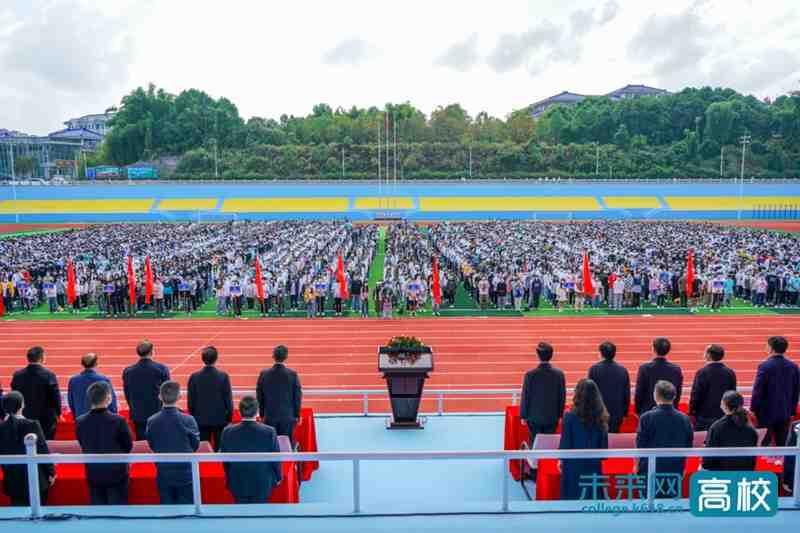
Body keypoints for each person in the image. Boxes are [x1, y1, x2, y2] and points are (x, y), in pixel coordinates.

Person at [75, 381, 134, 505]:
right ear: (108, 398)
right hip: (117, 473)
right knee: (117, 512)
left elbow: (82, 443)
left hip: (93, 472)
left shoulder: (80, 421)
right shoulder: (119, 421)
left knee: (98, 512)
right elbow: (128, 445)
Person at [219, 396, 283, 504]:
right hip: (262, 482)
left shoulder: (227, 431)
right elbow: (275, 459)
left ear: (239, 412)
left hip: (237, 480)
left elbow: (225, 460)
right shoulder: (269, 432)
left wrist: (229, 477)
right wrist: (278, 476)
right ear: (257, 412)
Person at [146, 381, 200, 505]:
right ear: (179, 397)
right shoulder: (189, 420)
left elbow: (152, 444)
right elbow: (195, 445)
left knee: (167, 510)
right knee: (187, 511)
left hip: (163, 472)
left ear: (160, 397)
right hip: (185, 472)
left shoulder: (152, 421)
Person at [636, 381, 693, 494]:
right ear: (674, 396)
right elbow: (688, 445)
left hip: (650, 469)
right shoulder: (685, 419)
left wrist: (637, 466)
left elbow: (640, 446)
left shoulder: (646, 418)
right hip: (675, 469)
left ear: (655, 395)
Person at [0, 391, 55, 506]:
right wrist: (51, 472)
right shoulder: (32, 424)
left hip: (13, 481)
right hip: (36, 479)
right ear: (22, 405)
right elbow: (42, 449)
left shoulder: (2, 428)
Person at [558, 379, 609, 500]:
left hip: (573, 466)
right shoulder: (602, 417)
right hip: (593, 465)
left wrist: (560, 461)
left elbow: (565, 443)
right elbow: (603, 450)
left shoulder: (569, 416)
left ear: (577, 394)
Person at [751, 336, 800, 446]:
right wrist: (792, 410)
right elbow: (796, 391)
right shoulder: (793, 366)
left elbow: (758, 389)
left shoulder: (765, 366)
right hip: (785, 411)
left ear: (771, 348)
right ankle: (781, 462)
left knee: (763, 442)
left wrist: (753, 408)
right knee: (782, 443)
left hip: (766, 412)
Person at [520, 342, 566, 448]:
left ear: (538, 355)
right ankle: (547, 463)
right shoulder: (559, 374)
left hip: (534, 418)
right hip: (552, 417)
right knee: (549, 445)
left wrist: (523, 415)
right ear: (551, 355)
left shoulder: (530, 375)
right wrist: (560, 415)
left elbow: (526, 396)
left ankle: (534, 463)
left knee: (534, 443)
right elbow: (561, 396)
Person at [123, 340, 171, 440]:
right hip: (157, 412)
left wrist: (133, 407)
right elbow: (167, 392)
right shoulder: (161, 369)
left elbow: (127, 393)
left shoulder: (128, 371)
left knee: (142, 444)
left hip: (138, 413)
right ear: (152, 352)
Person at [187, 346, 233, 451]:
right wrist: (229, 418)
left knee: (203, 450)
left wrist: (194, 416)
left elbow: (191, 401)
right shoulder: (223, 376)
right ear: (216, 358)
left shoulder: (194, 377)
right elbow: (228, 400)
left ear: (202, 359)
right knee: (219, 449)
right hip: (219, 420)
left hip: (201, 419)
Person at [10, 346, 61, 440]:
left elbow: (14, 396)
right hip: (46, 419)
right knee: (46, 443)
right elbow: (55, 396)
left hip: (25, 416)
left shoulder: (17, 375)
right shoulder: (49, 375)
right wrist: (58, 413)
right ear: (41, 358)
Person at [702, 391, 758, 471]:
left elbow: (707, 462)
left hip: (721, 476)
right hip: (744, 476)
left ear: (723, 405)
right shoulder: (751, 430)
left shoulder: (716, 428)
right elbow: (752, 461)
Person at [256, 345, 302, 442]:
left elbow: (260, 396)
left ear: (273, 356)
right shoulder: (292, 375)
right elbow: (297, 397)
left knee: (270, 444)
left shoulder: (264, 374)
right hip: (288, 417)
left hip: (269, 416)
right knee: (286, 445)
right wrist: (297, 415)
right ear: (286, 357)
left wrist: (262, 414)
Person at [688, 344, 737, 431]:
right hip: (724, 414)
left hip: (704, 416)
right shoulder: (730, 373)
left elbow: (696, 394)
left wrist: (692, 411)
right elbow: (733, 393)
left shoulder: (702, 372)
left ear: (709, 355)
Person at [588, 341, 630, 433]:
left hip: (598, 413)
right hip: (616, 413)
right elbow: (626, 393)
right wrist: (625, 413)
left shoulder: (594, 369)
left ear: (600, 354)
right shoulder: (622, 370)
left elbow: (589, 393)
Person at [634, 337, 683, 415]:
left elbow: (639, 392)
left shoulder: (644, 368)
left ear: (653, 349)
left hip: (648, 410)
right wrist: (674, 408)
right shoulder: (676, 370)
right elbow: (677, 392)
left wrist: (638, 410)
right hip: (669, 411)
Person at [68, 352, 118, 419]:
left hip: (81, 418)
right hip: (101, 419)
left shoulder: (73, 380)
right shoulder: (103, 379)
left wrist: (76, 416)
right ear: (96, 363)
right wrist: (113, 415)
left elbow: (71, 401)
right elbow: (111, 401)